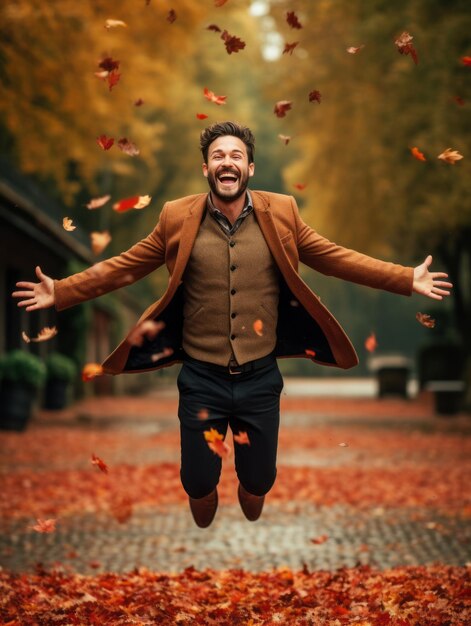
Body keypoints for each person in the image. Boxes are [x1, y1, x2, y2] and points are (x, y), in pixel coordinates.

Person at [13, 121, 452, 528]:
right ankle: (203, 492)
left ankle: (251, 485)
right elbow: (125, 266)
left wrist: (404, 277)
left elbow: (335, 257)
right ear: (206, 167)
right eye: (219, 155)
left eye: (236, 155)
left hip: (260, 377)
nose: (227, 162)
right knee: (197, 479)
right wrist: (64, 290)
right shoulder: (175, 218)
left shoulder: (281, 213)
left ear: (250, 167)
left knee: (260, 478)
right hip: (201, 377)